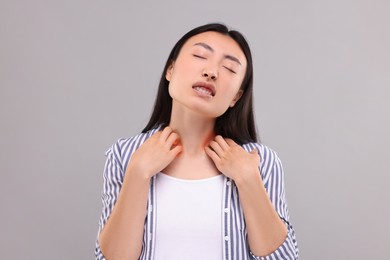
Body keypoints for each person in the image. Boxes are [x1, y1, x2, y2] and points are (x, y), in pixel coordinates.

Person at [95, 23, 298, 260]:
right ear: (170, 71)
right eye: (200, 55)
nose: (211, 72)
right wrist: (138, 173)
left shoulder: (260, 161)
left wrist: (248, 179)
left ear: (236, 97)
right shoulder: (125, 154)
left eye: (229, 69)